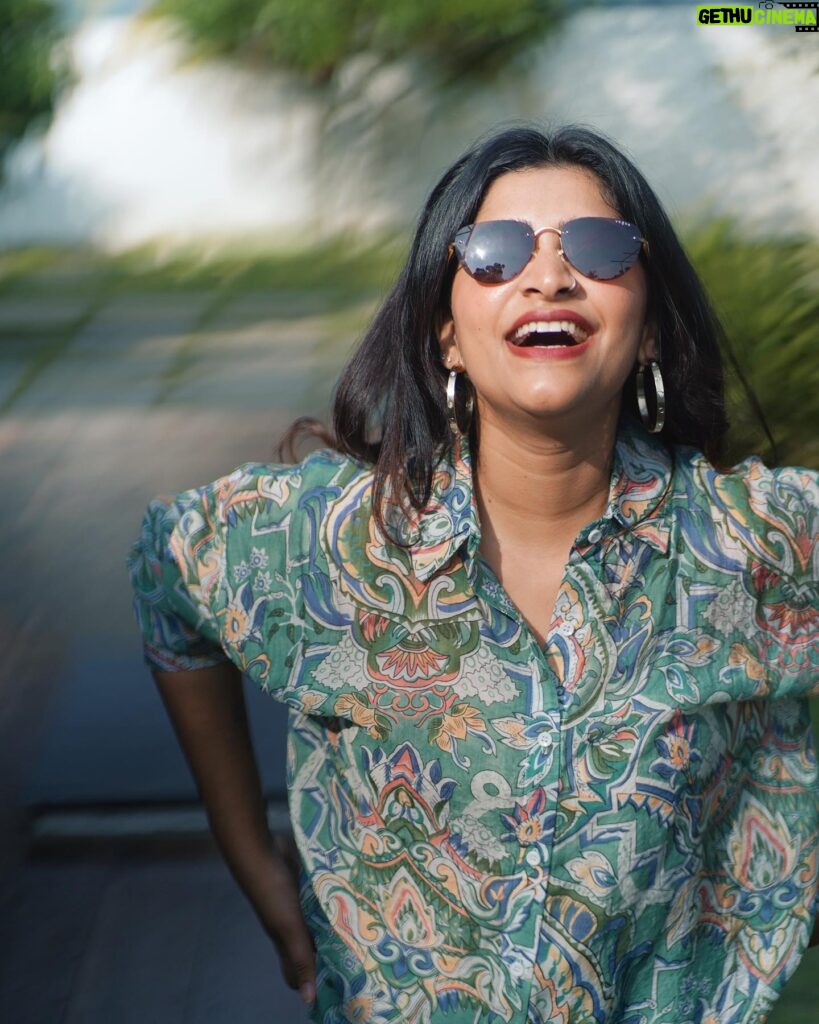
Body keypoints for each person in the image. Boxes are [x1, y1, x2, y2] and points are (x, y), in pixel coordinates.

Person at [128, 124, 818, 1024]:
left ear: (648, 329)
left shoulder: (755, 544)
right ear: (446, 334)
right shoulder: (327, 542)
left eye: (599, 248)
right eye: (494, 253)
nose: (548, 276)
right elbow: (163, 569)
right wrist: (251, 855)